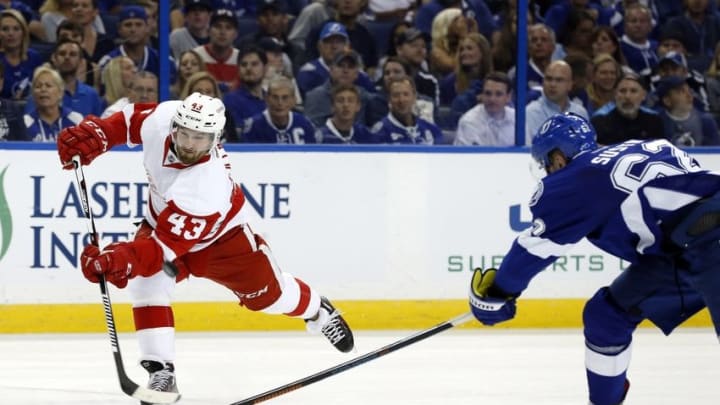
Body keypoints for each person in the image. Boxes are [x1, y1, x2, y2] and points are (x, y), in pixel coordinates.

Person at [55, 92, 355, 399]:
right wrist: (99, 135)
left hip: (223, 241)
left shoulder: (205, 185)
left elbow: (159, 252)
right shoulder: (163, 118)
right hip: (163, 223)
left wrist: (119, 259)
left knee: (268, 298)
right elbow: (129, 122)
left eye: (199, 138)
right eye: (184, 134)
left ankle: (318, 310)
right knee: (148, 284)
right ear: (175, 126)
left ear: (215, 139)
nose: (188, 144)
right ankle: (161, 372)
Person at [468, 112, 720, 405]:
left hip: (708, 241)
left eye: (546, 164)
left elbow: (533, 250)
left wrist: (499, 292)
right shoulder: (638, 148)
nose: (549, 171)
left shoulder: (576, 178)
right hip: (683, 250)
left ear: (559, 157)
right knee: (607, 316)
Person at [591, 72, 665, 145]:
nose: (627, 96)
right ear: (615, 94)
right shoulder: (600, 123)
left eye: (633, 91)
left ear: (643, 95)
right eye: (622, 91)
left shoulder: (654, 121)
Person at [454, 72, 515, 146]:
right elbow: (466, 156)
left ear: (508, 97)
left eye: (498, 94)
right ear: (482, 95)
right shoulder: (469, 122)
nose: (492, 99)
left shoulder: (517, 119)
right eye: (488, 93)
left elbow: (527, 152)